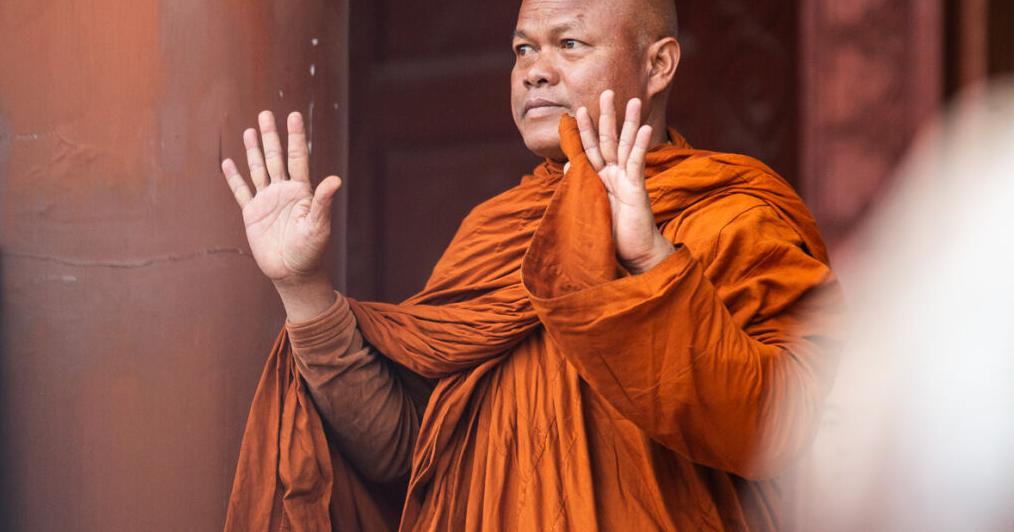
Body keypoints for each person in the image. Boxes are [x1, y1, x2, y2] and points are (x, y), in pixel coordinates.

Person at [221, 0, 842, 530]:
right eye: (522, 50)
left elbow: (785, 432)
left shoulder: (731, 218)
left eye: (568, 44)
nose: (535, 73)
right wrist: (303, 291)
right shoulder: (497, 231)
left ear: (659, 65)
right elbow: (408, 454)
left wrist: (653, 263)